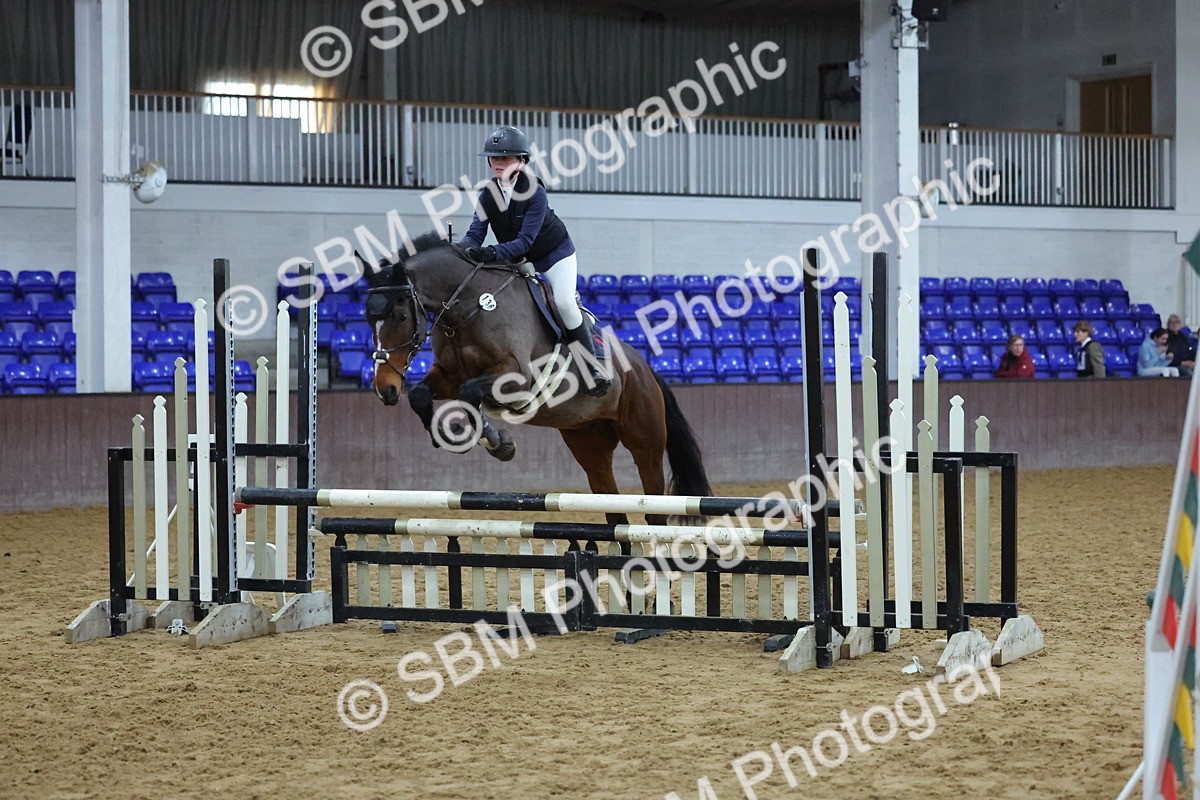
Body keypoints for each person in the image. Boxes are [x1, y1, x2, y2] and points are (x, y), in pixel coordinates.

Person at [457, 125, 609, 396]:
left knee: (563, 302)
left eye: (504, 157)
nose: (497, 163)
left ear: (522, 161)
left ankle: (592, 366)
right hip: (516, 259)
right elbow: (474, 235)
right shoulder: (487, 194)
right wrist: (458, 253)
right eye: (493, 158)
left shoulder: (534, 192)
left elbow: (525, 241)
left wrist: (492, 253)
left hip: (554, 256)